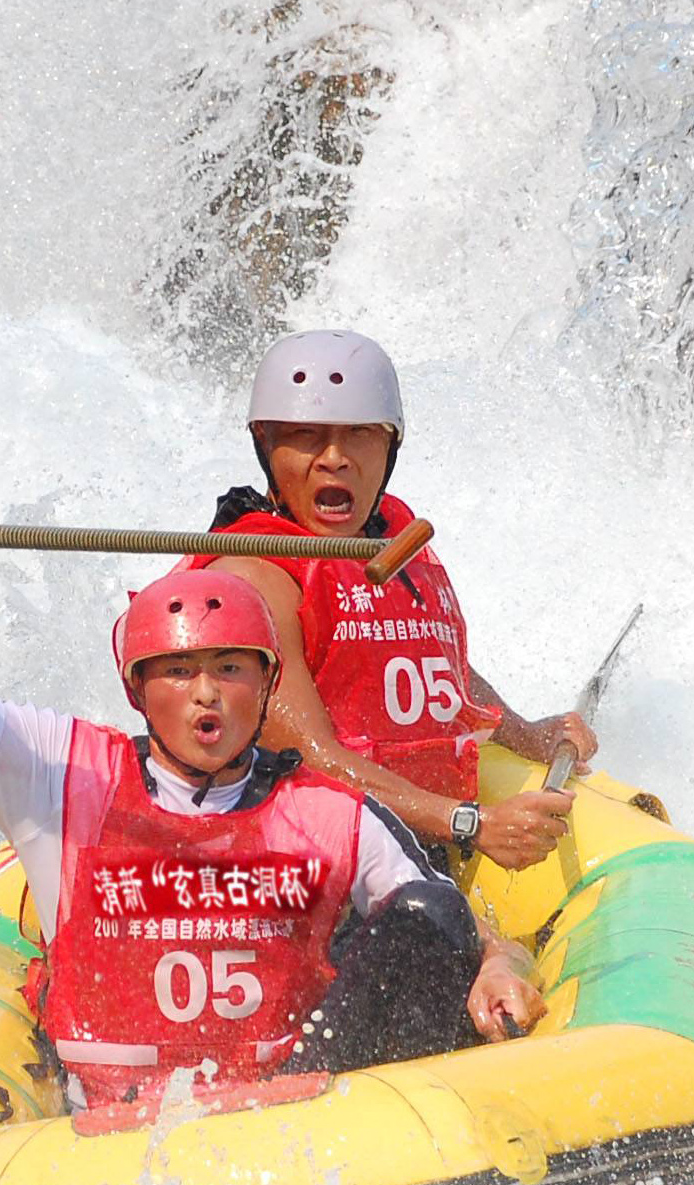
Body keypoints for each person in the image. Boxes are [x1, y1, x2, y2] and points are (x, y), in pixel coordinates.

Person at [0, 495, 546, 1111]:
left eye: (231, 669)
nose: (207, 693)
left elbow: (457, 930)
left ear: (268, 684)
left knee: (434, 915)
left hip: (298, 1110)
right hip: (112, 1134)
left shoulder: (325, 809)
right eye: (179, 672)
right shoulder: (64, 776)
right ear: (138, 689)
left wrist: (501, 967)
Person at [186, 329, 597, 872]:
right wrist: (472, 823)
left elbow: (435, 673)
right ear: (266, 444)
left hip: (413, 836)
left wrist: (528, 735)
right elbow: (314, 762)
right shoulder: (251, 581)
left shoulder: (392, 541)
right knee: (486, 953)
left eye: (358, 434)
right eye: (307, 436)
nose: (334, 459)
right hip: (303, 856)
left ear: (390, 447)